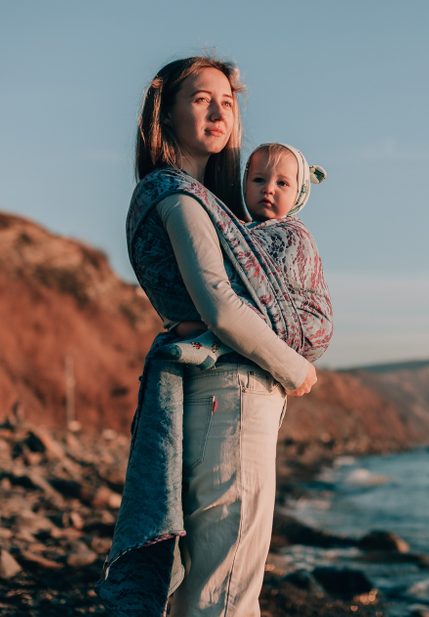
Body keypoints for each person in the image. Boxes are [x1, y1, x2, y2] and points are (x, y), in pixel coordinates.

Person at [97, 57, 331, 617]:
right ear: (166, 111)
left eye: (228, 100)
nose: (220, 110)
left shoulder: (210, 203)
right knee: (225, 591)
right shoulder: (177, 195)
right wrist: (297, 368)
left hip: (221, 394)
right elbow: (220, 307)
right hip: (233, 395)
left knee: (206, 583)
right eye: (201, 98)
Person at [157, 142, 329, 371]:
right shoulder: (242, 232)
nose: (268, 189)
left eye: (282, 183)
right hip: (269, 329)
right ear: (245, 184)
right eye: (259, 180)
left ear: (299, 194)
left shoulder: (294, 233)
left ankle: (212, 342)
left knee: (240, 304)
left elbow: (263, 279)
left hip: (304, 321)